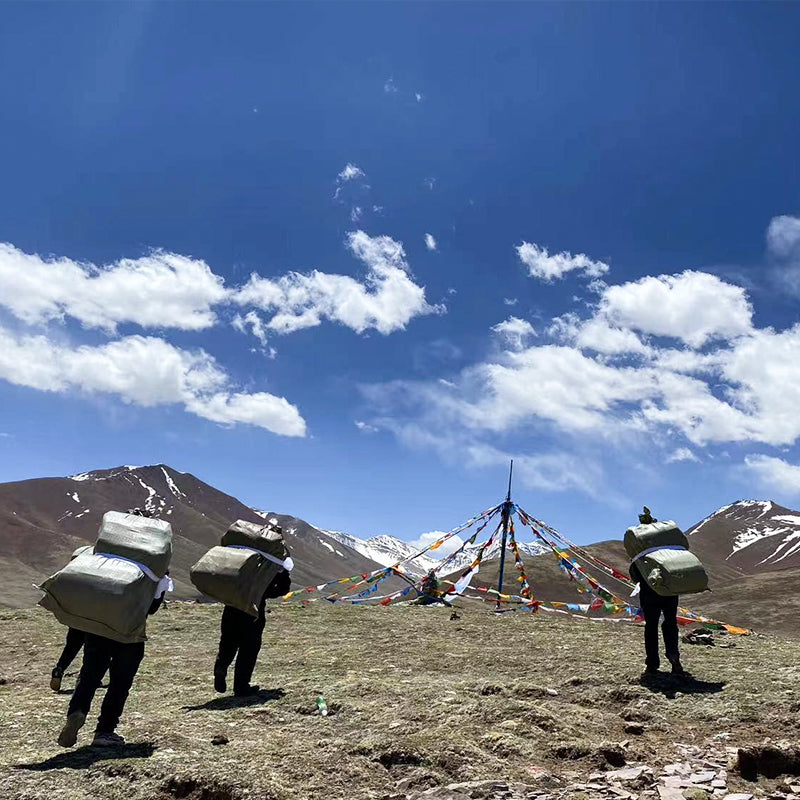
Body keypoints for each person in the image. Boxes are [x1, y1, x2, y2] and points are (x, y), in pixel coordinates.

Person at [57, 570, 172, 748]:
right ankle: (104, 732)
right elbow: (152, 608)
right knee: (120, 684)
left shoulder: (110, 565)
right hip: (131, 634)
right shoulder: (155, 570)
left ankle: (77, 711)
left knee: (89, 676)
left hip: (99, 630)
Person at [214, 568, 291, 696]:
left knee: (228, 643)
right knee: (248, 650)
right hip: (253, 613)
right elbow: (280, 590)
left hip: (231, 609)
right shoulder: (267, 570)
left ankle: (220, 667)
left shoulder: (240, 566)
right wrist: (284, 574)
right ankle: (241, 686)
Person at [630, 506, 687, 677]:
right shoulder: (669, 552)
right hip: (670, 592)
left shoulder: (640, 553)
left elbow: (635, 575)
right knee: (670, 623)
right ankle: (673, 655)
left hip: (649, 593)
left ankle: (652, 663)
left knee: (651, 626)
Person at [50, 628, 86, 692]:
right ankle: (87, 677)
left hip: (77, 622)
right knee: (91, 651)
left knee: (70, 648)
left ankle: (59, 669)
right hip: (93, 625)